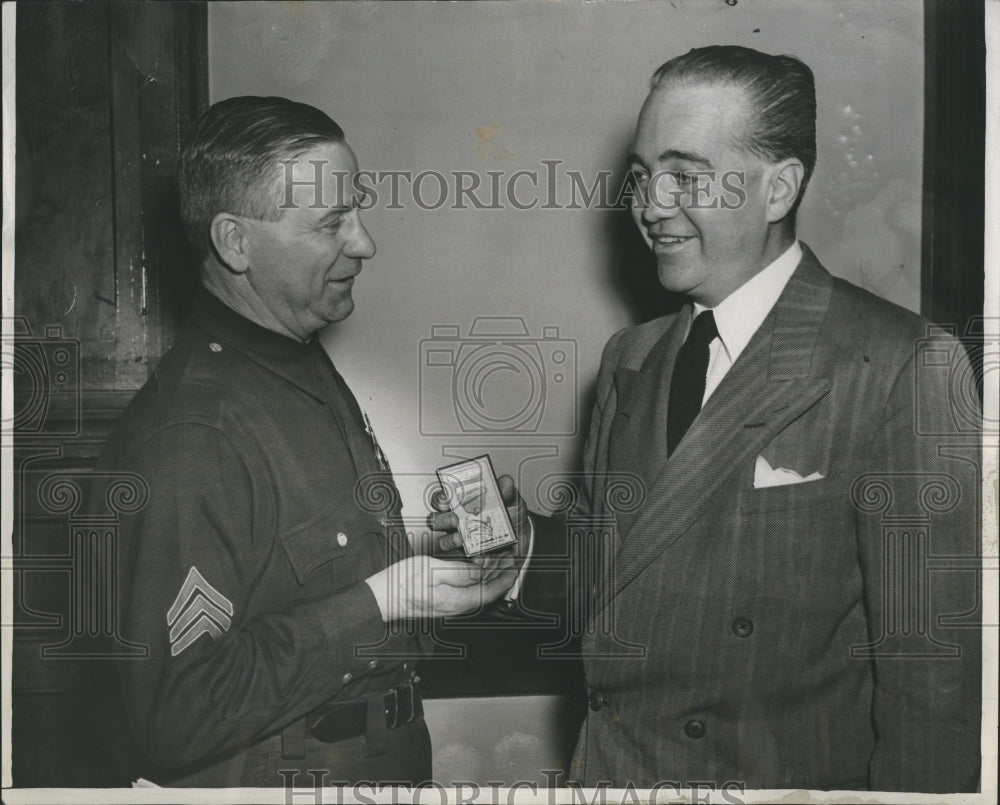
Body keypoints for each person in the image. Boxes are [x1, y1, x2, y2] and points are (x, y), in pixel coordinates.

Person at [472, 45, 981, 792]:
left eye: (687, 176)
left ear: (778, 189)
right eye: (644, 177)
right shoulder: (630, 358)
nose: (650, 206)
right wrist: (523, 553)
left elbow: (931, 689)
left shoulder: (903, 363)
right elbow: (623, 579)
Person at [94, 96, 516, 787]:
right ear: (236, 243)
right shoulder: (193, 434)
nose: (365, 242)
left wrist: (472, 553)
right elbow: (175, 713)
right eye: (332, 222)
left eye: (359, 211)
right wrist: (385, 600)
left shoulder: (295, 361)